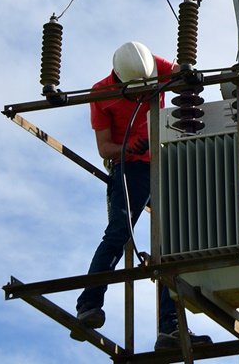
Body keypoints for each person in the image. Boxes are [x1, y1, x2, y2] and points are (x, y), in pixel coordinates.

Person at [74, 41, 212, 350]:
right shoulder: (101, 94)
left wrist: (191, 76)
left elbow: (181, 73)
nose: (141, 95)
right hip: (130, 169)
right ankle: (89, 304)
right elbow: (104, 148)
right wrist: (130, 147)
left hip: (162, 163)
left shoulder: (151, 64)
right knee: (119, 233)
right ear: (120, 80)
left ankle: (170, 328)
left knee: (174, 241)